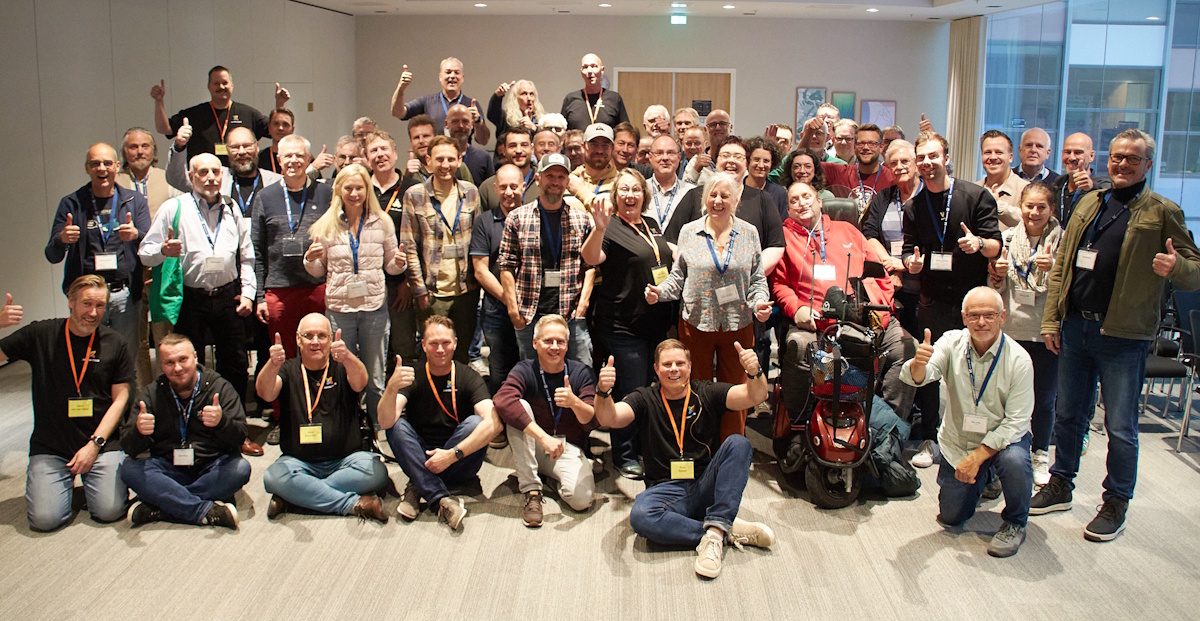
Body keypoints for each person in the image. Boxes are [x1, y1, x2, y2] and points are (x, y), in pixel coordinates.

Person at [1032, 129, 1200, 542]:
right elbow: (1063, 268)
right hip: (1076, 327)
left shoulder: (1163, 211)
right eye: (1117, 157)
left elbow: (1195, 269)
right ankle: (1060, 484)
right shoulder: (1090, 202)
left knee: (1121, 426)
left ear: (1147, 165)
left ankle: (1116, 501)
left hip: (1124, 335)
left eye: (1132, 159)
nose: (1122, 164)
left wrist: (1174, 269)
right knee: (1069, 414)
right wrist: (1053, 320)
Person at [593, 339, 775, 579]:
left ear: (690, 366)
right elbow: (609, 418)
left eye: (680, 363)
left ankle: (716, 526)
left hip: (704, 483)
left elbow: (755, 395)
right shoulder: (644, 398)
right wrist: (603, 392)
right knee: (641, 516)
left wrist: (755, 372)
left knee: (738, 443)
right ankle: (719, 531)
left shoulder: (706, 392)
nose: (674, 369)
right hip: (666, 492)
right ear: (656, 369)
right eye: (667, 364)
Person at [138, 153, 258, 457]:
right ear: (191, 177)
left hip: (229, 297)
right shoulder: (173, 208)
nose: (210, 177)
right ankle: (191, 431)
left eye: (215, 171)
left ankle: (236, 430)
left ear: (223, 175)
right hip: (190, 299)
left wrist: (248, 293)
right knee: (186, 368)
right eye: (202, 172)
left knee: (235, 365)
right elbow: (145, 253)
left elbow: (246, 257)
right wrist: (164, 250)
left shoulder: (233, 208)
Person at [900, 287, 1034, 557]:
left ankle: (1015, 522)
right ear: (964, 317)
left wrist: (978, 457)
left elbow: (1016, 422)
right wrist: (918, 363)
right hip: (959, 441)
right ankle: (988, 478)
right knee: (950, 518)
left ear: (1002, 317)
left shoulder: (1019, 360)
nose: (981, 322)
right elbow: (922, 375)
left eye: (989, 315)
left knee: (1015, 461)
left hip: (1001, 441)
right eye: (974, 315)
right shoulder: (951, 342)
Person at [771, 181, 915, 422]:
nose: (801, 203)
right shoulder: (784, 237)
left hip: (866, 318)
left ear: (819, 201)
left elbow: (879, 275)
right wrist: (797, 309)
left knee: (906, 348)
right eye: (793, 200)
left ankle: (886, 425)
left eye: (806, 196)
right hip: (818, 324)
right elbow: (779, 285)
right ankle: (802, 424)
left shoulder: (848, 230)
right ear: (788, 210)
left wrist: (877, 309)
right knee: (799, 347)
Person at [0, 276, 132, 531]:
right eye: (86, 304)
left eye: (100, 305)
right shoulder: (41, 334)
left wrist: (94, 445)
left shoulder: (115, 342)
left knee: (109, 511)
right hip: (52, 445)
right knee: (44, 520)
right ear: (70, 302)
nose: (93, 313)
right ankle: (64, 485)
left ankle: (85, 485)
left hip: (100, 443)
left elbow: (121, 398)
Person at [902, 132, 1002, 466]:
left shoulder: (976, 196)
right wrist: (910, 263)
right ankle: (930, 439)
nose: (927, 163)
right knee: (930, 365)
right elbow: (907, 249)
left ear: (946, 157)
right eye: (922, 157)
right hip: (932, 299)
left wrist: (979, 245)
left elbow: (996, 245)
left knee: (975, 370)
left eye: (933, 156)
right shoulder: (914, 206)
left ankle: (976, 442)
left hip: (973, 303)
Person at [647, 173, 773, 439]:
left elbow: (757, 280)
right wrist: (660, 292)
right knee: (693, 389)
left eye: (724, 196)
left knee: (737, 392)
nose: (718, 201)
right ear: (705, 200)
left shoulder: (749, 233)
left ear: (735, 201)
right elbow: (678, 276)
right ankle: (697, 443)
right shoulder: (689, 232)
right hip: (696, 323)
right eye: (712, 195)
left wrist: (760, 302)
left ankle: (731, 448)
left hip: (738, 323)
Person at [581, 168, 676, 478]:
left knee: (651, 390)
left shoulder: (652, 224)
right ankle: (623, 454)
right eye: (624, 190)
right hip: (623, 326)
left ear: (643, 195)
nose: (630, 195)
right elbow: (591, 259)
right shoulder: (609, 228)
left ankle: (644, 447)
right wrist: (598, 228)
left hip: (655, 325)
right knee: (630, 392)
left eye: (636, 189)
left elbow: (661, 260)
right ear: (616, 196)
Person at [256, 313, 390, 522]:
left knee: (377, 472)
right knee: (272, 476)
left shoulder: (342, 366)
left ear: (331, 339)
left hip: (346, 461)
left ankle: (296, 496)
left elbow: (361, 382)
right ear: (298, 340)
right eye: (309, 336)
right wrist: (272, 364)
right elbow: (266, 393)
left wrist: (347, 356)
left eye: (322, 336)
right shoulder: (288, 369)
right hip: (298, 461)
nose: (315, 342)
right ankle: (352, 504)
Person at [303, 163, 407, 427]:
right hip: (339, 311)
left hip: (373, 309)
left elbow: (391, 266)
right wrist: (309, 259)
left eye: (359, 187)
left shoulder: (382, 222)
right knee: (341, 372)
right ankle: (346, 427)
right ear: (339, 190)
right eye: (348, 187)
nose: (354, 193)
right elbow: (317, 271)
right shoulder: (325, 225)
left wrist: (400, 262)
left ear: (367, 190)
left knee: (374, 378)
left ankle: (375, 427)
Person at [379, 316, 499, 531]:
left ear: (455, 343)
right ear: (423, 345)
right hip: (422, 456)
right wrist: (391, 388)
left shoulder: (468, 376)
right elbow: (385, 421)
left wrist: (451, 455)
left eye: (445, 343)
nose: (440, 349)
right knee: (396, 426)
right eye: (433, 343)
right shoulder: (413, 374)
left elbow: (495, 423)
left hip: (459, 459)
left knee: (475, 423)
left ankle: (418, 486)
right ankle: (442, 499)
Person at [46, 143, 152, 386]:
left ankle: (125, 415)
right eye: (95, 163)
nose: (101, 168)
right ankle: (93, 414)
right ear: (87, 168)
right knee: (87, 358)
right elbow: (51, 254)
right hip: (86, 298)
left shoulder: (133, 201)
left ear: (117, 166)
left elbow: (150, 240)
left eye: (107, 163)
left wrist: (135, 234)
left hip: (123, 294)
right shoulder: (71, 203)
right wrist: (62, 239)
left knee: (125, 359)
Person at [119, 333, 249, 529]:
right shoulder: (151, 393)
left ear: (195, 357)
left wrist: (222, 422)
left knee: (240, 469)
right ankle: (204, 510)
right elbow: (128, 447)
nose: (177, 368)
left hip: (210, 466)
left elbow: (239, 436)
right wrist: (139, 431)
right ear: (161, 365)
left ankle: (162, 505)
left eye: (183, 359)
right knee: (129, 469)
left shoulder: (219, 387)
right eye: (169, 362)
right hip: (169, 468)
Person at [988, 182, 1061, 486]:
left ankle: (1040, 453)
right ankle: (1003, 452)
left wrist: (1054, 267)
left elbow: (1070, 285)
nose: (1034, 212)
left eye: (1041, 207)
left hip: (1045, 332)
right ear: (1021, 206)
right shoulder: (1006, 239)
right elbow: (994, 290)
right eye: (1029, 206)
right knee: (1004, 399)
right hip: (1012, 331)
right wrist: (997, 275)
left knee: (1043, 399)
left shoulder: (1063, 243)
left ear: (1052, 210)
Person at [494, 315, 598, 526]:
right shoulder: (524, 369)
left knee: (581, 501)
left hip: (566, 448)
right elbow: (502, 400)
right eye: (547, 341)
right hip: (533, 444)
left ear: (567, 345)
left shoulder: (582, 372)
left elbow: (592, 420)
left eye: (560, 342)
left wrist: (575, 403)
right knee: (518, 407)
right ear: (534, 343)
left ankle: (547, 475)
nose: (554, 347)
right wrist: (543, 438)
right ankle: (532, 490)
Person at [500, 153, 596, 363]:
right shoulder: (517, 218)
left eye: (561, 177)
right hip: (529, 314)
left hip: (570, 315)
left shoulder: (581, 220)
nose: (555, 181)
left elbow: (590, 266)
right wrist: (514, 311)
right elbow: (506, 266)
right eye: (549, 175)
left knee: (582, 373)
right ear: (537, 179)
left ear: (567, 182)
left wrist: (583, 305)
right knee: (533, 378)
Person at [399, 135, 483, 362]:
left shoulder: (471, 193)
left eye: (450, 159)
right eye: (439, 159)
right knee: (435, 355)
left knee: (462, 352)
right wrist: (420, 291)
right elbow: (409, 247)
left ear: (459, 160)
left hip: (466, 290)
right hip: (433, 292)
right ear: (428, 160)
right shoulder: (414, 195)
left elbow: (478, 242)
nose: (445, 165)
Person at [251, 134, 332, 360]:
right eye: (288, 155)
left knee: (318, 352)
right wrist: (259, 297)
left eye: (299, 155)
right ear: (279, 159)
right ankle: (285, 396)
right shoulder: (265, 197)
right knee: (282, 355)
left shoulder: (326, 193)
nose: (293, 160)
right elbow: (256, 250)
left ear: (308, 159)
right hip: (278, 290)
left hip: (317, 287)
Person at [116, 127, 184, 379]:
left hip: (162, 268)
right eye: (133, 147)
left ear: (154, 151)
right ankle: (143, 395)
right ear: (124, 152)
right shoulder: (115, 181)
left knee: (164, 336)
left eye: (145, 146)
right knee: (136, 341)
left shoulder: (167, 180)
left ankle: (168, 391)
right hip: (128, 268)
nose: (139, 151)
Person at [152, 67, 286, 166]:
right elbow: (165, 129)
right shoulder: (195, 114)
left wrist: (280, 104)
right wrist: (159, 102)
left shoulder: (248, 113)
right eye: (216, 84)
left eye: (225, 83)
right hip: (203, 178)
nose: (221, 87)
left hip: (240, 178)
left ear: (232, 86)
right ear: (209, 86)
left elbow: (277, 131)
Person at [471, 165, 525, 394]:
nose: (509, 192)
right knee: (499, 368)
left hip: (530, 307)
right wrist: (509, 300)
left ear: (523, 186)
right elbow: (481, 271)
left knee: (528, 365)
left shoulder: (534, 217)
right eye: (503, 187)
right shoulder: (484, 222)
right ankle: (499, 422)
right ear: (495, 189)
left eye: (514, 186)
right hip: (496, 306)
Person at [861, 140, 923, 335]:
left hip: (924, 283)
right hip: (890, 283)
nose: (899, 167)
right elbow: (869, 233)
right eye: (893, 163)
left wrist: (902, 266)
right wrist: (889, 262)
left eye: (904, 161)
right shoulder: (884, 197)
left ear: (915, 164)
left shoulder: (928, 196)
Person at [390, 57, 489, 144]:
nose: (452, 76)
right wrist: (401, 88)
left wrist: (478, 121)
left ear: (462, 78)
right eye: (448, 72)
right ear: (440, 77)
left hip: (463, 157)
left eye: (457, 72)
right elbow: (398, 113)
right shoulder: (427, 102)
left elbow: (483, 141)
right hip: (435, 158)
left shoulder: (471, 105)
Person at [561, 53, 630, 130]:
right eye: (585, 67)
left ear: (602, 70)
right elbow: (563, 132)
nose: (589, 71)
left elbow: (624, 131)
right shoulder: (570, 99)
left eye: (594, 66)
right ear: (581, 72)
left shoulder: (614, 99)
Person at [1054, 132, 1111, 225]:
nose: (1071, 157)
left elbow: (1110, 207)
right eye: (1067, 152)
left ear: (1091, 156)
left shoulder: (1104, 185)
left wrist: (1091, 189)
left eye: (1078, 152)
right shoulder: (1057, 183)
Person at [976, 130, 1027, 229]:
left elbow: (1030, 224)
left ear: (1010, 157)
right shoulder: (973, 189)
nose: (993, 157)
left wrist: (997, 206)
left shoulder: (1025, 190)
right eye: (987, 152)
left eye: (999, 152)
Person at [479, 129, 541, 211]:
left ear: (532, 149)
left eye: (524, 145)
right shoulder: (487, 188)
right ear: (504, 150)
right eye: (513, 146)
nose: (518, 150)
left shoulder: (543, 184)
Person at [646, 134, 694, 231]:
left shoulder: (691, 192)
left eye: (670, 153)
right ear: (650, 157)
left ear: (679, 157)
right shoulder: (640, 190)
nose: (665, 158)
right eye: (659, 153)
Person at [567, 123, 619, 211]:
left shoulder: (620, 183)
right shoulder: (569, 181)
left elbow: (611, 216)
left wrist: (580, 191)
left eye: (605, 145)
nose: (599, 150)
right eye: (593, 145)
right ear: (583, 147)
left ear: (612, 148)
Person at [445, 103, 496, 186]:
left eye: (465, 121)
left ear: (472, 124)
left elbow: (490, 191)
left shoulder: (483, 158)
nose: (460, 126)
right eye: (455, 121)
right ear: (446, 124)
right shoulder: (439, 158)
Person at [487, 79, 545, 144]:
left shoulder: (541, 120)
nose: (529, 98)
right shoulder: (506, 118)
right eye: (524, 94)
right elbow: (492, 115)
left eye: (531, 94)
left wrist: (534, 129)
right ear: (515, 98)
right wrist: (498, 96)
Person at [743, 136, 787, 219]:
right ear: (748, 161)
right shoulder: (737, 189)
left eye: (766, 161)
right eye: (756, 160)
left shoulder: (779, 193)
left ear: (772, 164)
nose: (761, 165)